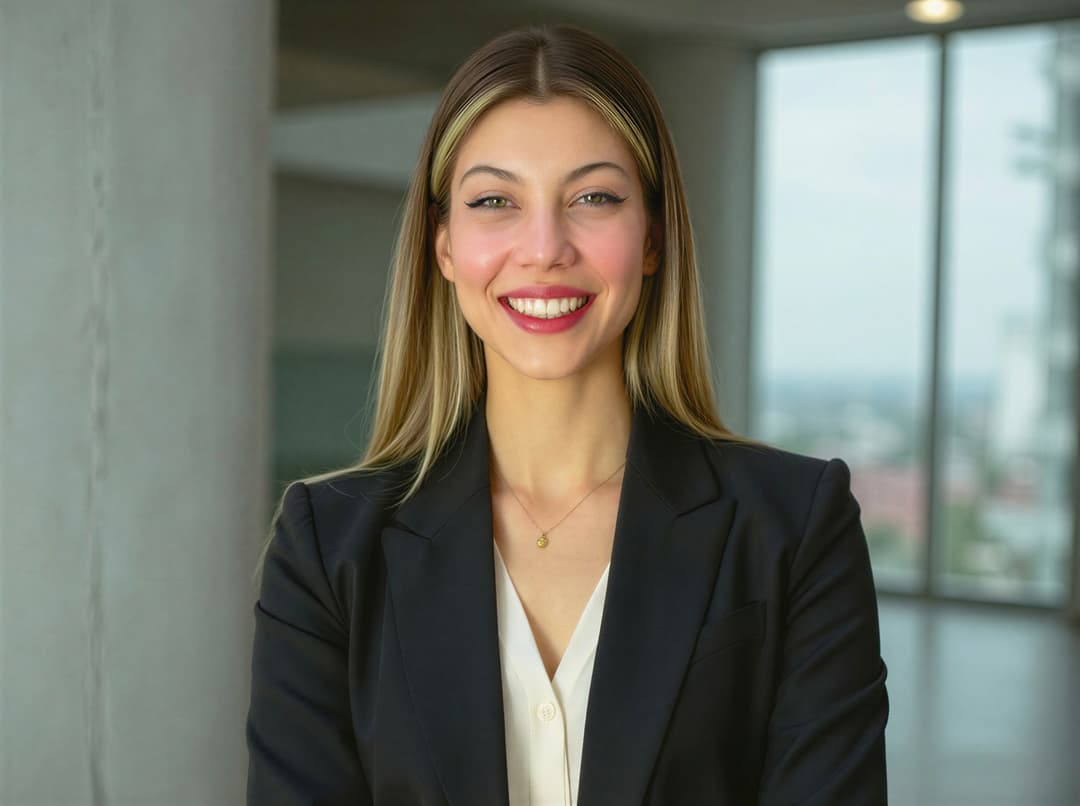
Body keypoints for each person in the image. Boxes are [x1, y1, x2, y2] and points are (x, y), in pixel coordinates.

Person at [246, 24, 889, 806]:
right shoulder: (326, 546)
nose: (545, 247)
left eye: (593, 197)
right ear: (443, 246)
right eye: (494, 201)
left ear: (651, 237)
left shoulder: (794, 526)